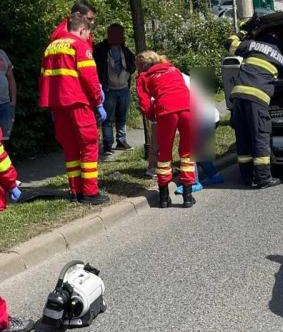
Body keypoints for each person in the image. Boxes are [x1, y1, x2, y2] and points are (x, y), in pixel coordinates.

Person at [38, 14, 109, 205]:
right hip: (78, 101)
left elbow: (44, 76)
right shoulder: (79, 45)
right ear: (82, 30)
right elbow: (89, 77)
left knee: (70, 147)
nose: (88, 38)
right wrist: (98, 102)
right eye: (88, 33)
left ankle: (75, 190)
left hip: (57, 103)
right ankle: (90, 193)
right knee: (89, 144)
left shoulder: (51, 46)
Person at [228, 31, 283, 189]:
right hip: (257, 98)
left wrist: (244, 31)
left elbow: (230, 43)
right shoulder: (280, 57)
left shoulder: (251, 45)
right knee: (260, 136)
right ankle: (263, 179)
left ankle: (246, 177)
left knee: (243, 136)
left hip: (238, 96)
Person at [135, 52, 195, 208]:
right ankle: (188, 197)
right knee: (187, 153)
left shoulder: (143, 77)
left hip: (166, 111)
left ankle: (163, 198)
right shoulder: (173, 69)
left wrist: (151, 115)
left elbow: (145, 103)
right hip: (187, 108)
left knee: (165, 155)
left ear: (141, 65)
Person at [94, 24, 136, 156]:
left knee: (121, 117)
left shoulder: (125, 50)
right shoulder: (100, 50)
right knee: (107, 119)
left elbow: (132, 65)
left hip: (123, 88)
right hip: (108, 89)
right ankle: (107, 145)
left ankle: (121, 142)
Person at [0, 49, 15, 141]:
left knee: (3, 139)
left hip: (5, 104)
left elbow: (11, 79)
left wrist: (13, 101)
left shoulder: (2, 53)